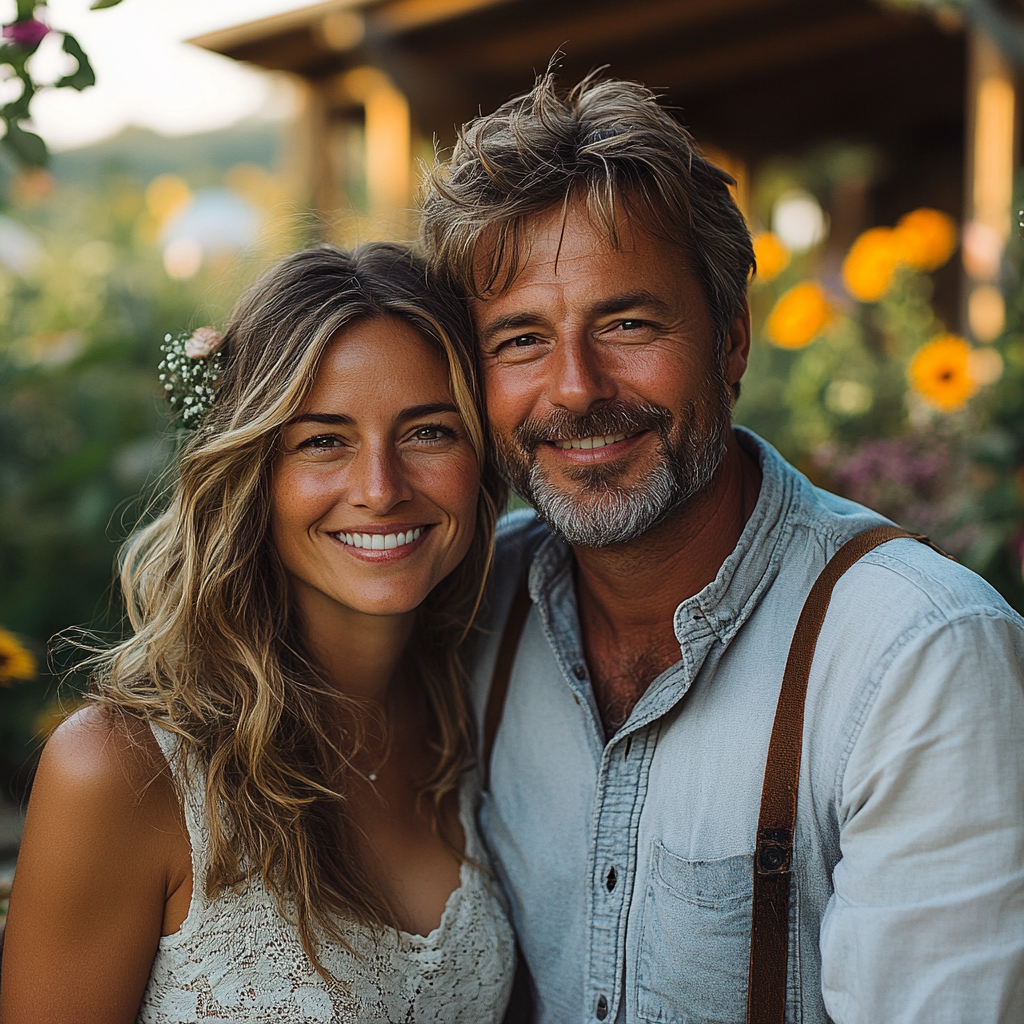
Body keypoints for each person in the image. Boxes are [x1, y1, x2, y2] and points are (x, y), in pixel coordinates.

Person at [419, 73, 1024, 1023]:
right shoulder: (465, 611)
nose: (574, 389)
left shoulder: (916, 657)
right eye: (521, 339)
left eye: (627, 323)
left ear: (731, 340)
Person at [0, 243, 515, 1023]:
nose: (381, 489)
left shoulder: (480, 705)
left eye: (429, 432)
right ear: (250, 473)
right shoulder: (118, 772)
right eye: (322, 440)